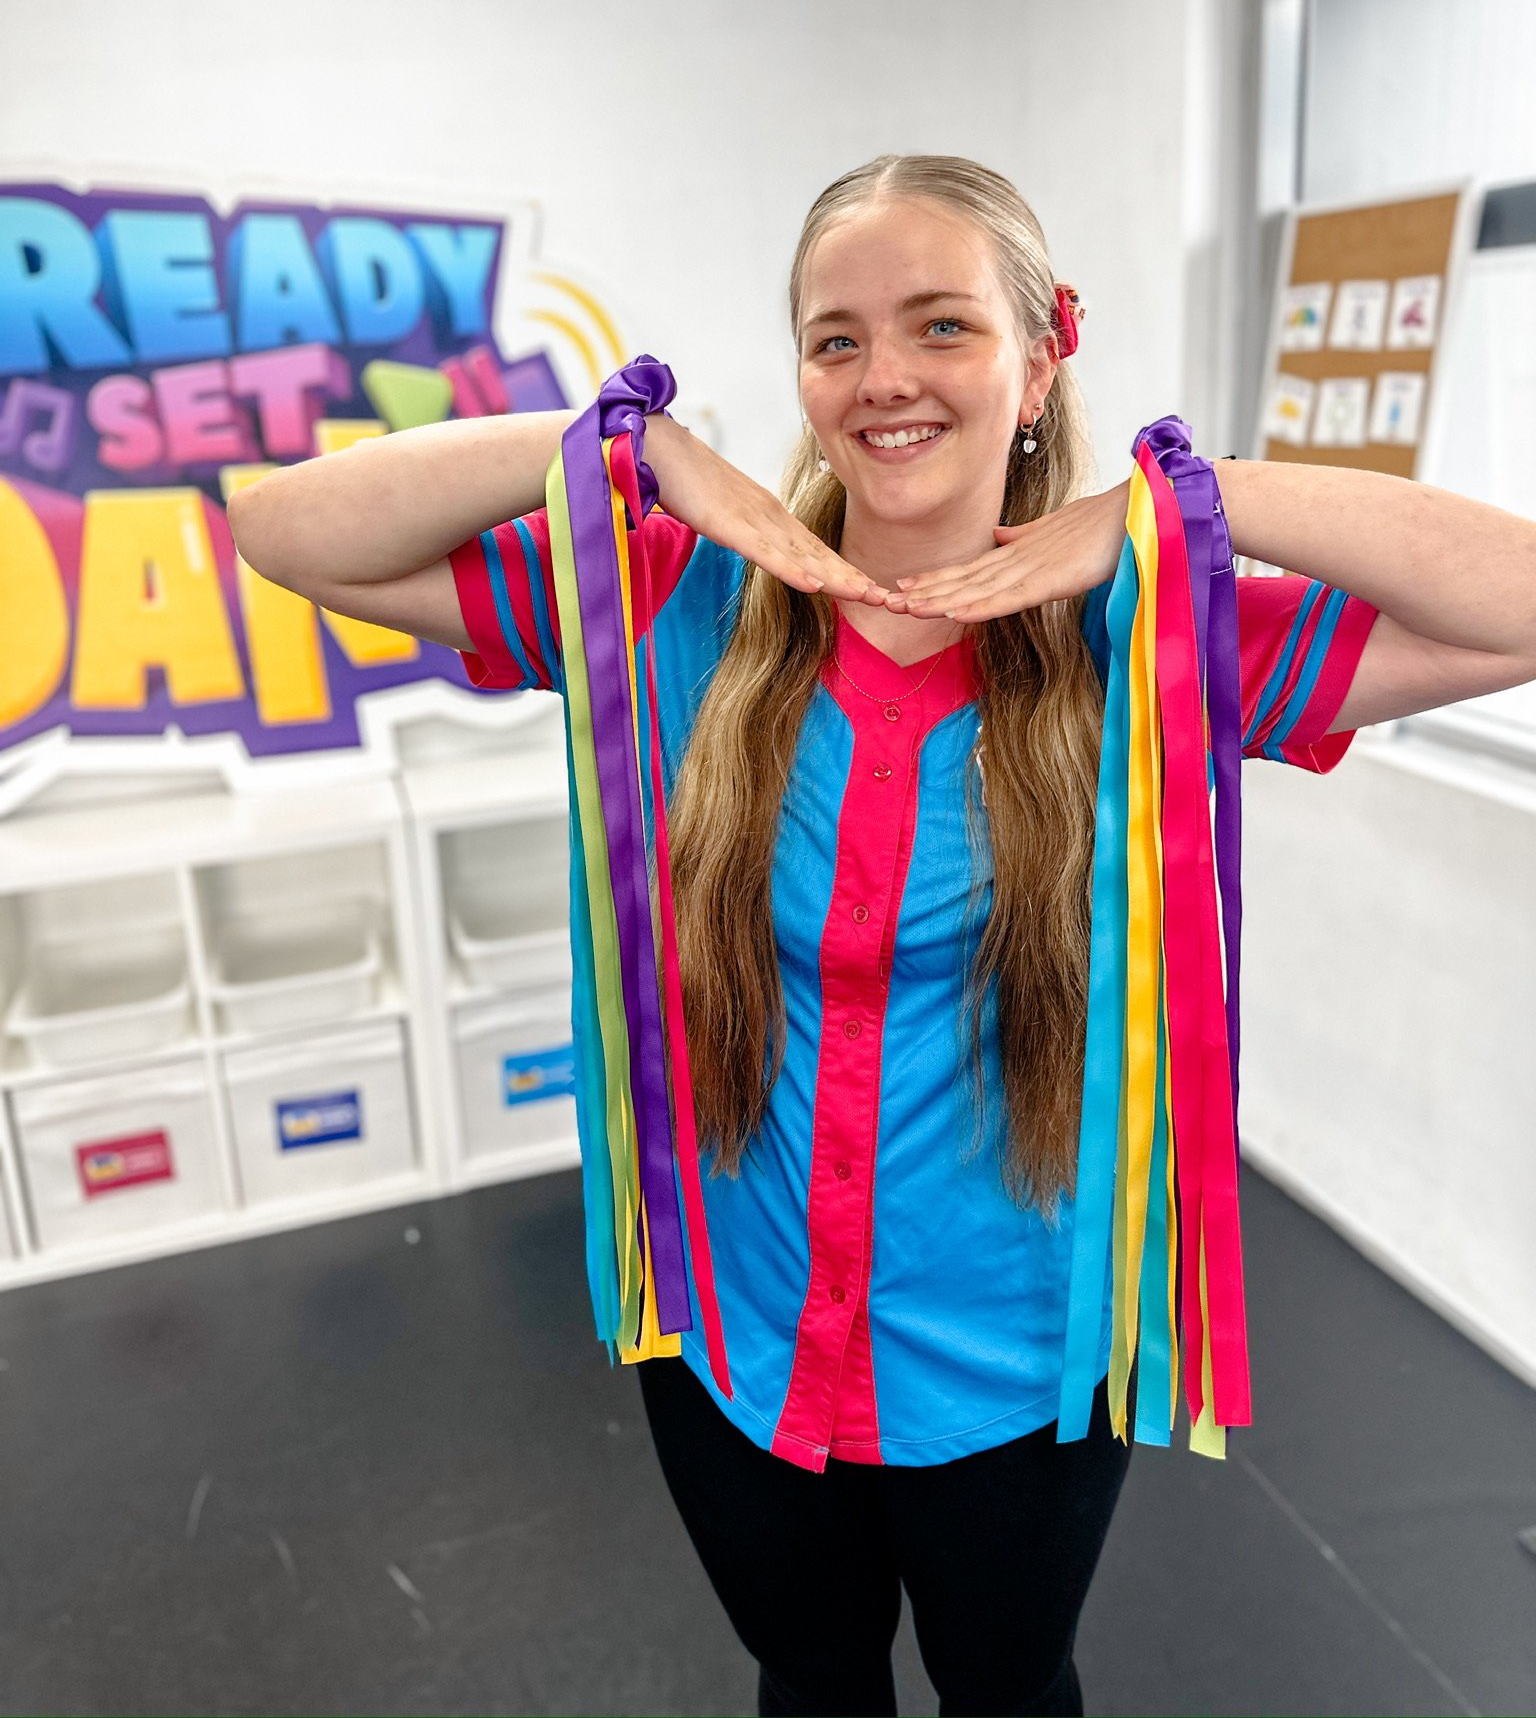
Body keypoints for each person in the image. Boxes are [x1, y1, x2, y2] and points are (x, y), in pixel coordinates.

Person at [228, 156, 1536, 1717]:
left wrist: (1185, 503)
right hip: (739, 1330)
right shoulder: (677, 605)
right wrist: (628, 453)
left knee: (1005, 1689)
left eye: (941, 326)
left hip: (1016, 1364)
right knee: (813, 1674)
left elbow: (1515, 602)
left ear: (1044, 354)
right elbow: (288, 530)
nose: (884, 378)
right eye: (834, 338)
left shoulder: (1156, 641)